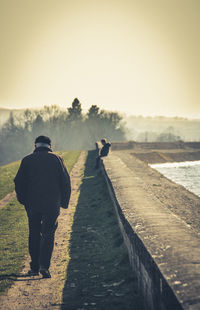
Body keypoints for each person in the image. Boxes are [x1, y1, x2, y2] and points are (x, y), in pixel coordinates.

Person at [14, 135, 71, 278]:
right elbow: (65, 182)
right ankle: (44, 266)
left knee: (34, 233)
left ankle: (34, 267)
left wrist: (23, 200)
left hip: (32, 203)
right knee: (48, 233)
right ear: (50, 146)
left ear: (35, 146)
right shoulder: (57, 159)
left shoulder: (27, 160)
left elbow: (18, 182)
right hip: (52, 204)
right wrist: (64, 203)